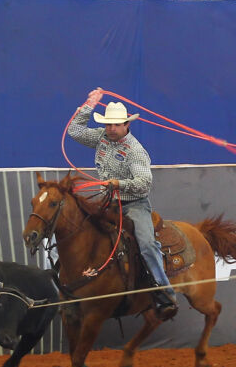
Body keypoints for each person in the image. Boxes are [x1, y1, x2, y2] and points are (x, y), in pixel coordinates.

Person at [66, 89, 177, 320]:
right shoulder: (101, 138)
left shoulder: (135, 152)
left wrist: (118, 183)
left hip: (133, 205)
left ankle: (165, 294)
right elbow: (74, 131)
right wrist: (89, 104)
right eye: (108, 124)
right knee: (82, 233)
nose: (111, 129)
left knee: (147, 245)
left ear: (127, 124)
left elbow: (144, 184)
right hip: (108, 202)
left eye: (116, 125)